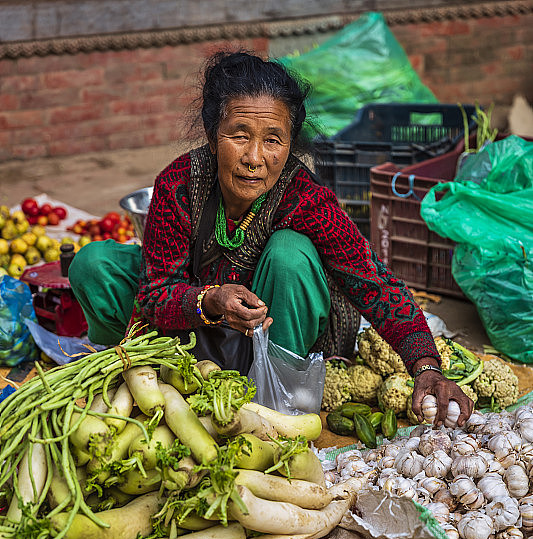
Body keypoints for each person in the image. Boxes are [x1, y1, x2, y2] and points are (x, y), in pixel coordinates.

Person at [70, 51, 472, 426]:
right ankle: (133, 381)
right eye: (239, 135)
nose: (255, 157)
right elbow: (155, 293)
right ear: (212, 138)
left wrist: (426, 366)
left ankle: (277, 405)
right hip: (189, 332)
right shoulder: (178, 185)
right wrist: (210, 298)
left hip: (274, 333)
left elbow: (373, 282)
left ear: (289, 146)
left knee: (290, 255)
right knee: (94, 265)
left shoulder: (307, 199)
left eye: (273, 139)